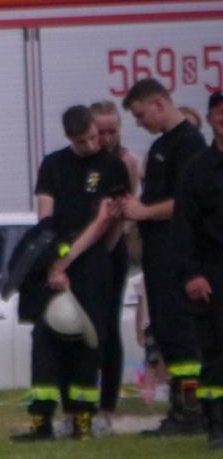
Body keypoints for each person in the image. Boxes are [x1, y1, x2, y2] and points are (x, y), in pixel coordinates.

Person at [13, 106, 128, 441]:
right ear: (69, 137)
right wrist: (55, 261)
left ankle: (82, 420)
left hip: (91, 263)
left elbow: (104, 221)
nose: (92, 144)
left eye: (94, 136)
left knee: (87, 341)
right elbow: (45, 220)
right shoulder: (53, 165)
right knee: (45, 339)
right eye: (83, 141)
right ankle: (41, 421)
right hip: (53, 260)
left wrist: (69, 259)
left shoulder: (111, 165)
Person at [121, 79, 207, 435]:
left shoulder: (189, 144)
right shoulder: (161, 147)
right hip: (158, 255)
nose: (139, 123)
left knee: (181, 333)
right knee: (167, 333)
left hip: (176, 255)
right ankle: (178, 409)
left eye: (141, 114)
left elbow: (184, 203)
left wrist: (141, 212)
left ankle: (191, 411)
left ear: (159, 103)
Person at [173, 90, 223, 448]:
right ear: (209, 119)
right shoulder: (197, 172)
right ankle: (216, 424)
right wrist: (192, 275)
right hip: (212, 276)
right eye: (219, 113)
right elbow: (184, 229)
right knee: (216, 354)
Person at [88, 99, 141, 433]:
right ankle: (82, 400)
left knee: (108, 327)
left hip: (112, 247)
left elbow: (124, 211)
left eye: (112, 131)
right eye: (101, 131)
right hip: (85, 246)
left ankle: (107, 406)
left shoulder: (126, 160)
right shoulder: (84, 160)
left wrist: (102, 252)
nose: (107, 138)